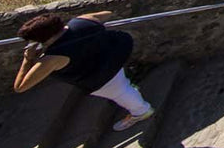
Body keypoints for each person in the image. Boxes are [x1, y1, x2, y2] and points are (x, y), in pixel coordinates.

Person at [13, 11, 153, 131]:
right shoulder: (82, 20)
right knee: (121, 84)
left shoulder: (52, 58)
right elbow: (107, 14)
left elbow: (20, 87)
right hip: (115, 54)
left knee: (122, 93)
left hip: (101, 77)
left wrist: (27, 59)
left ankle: (141, 112)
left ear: (40, 39)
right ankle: (130, 88)